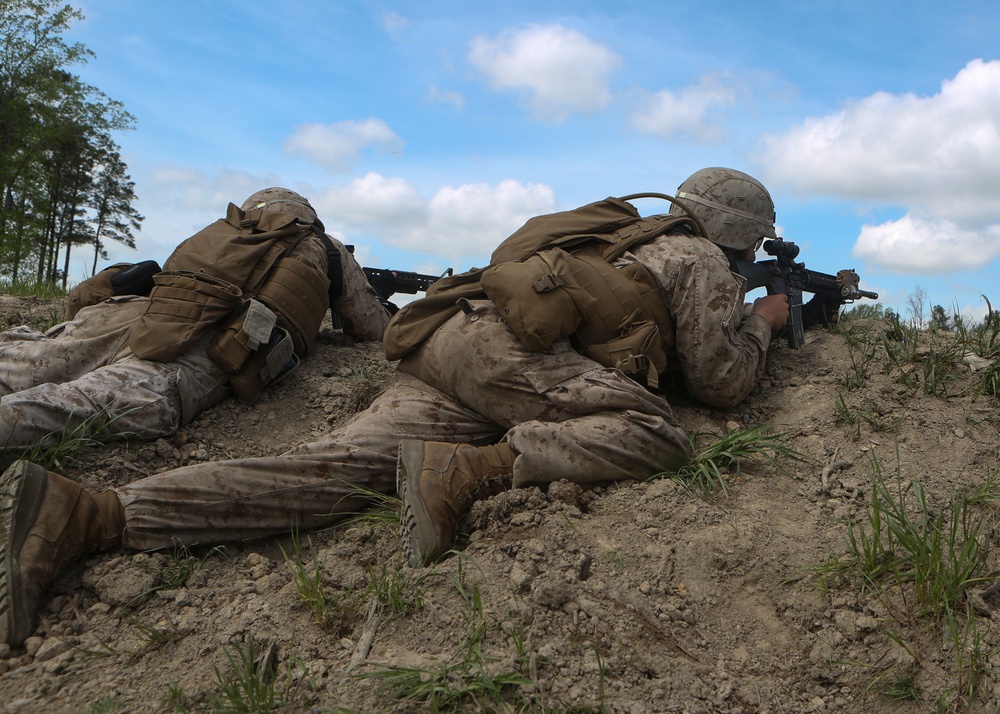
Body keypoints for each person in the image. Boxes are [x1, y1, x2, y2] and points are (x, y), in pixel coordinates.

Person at [0, 168, 789, 648]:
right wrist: (764, 325)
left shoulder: (618, 228)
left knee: (329, 474)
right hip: (515, 362)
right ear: (744, 238)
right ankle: (469, 472)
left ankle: (91, 516)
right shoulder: (698, 259)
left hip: (452, 337)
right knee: (657, 430)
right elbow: (719, 385)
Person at [0, 187, 390, 455]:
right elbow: (370, 326)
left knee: (21, 365)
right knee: (69, 408)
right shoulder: (326, 246)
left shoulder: (219, 233)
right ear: (308, 217)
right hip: (196, 347)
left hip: (128, 315)